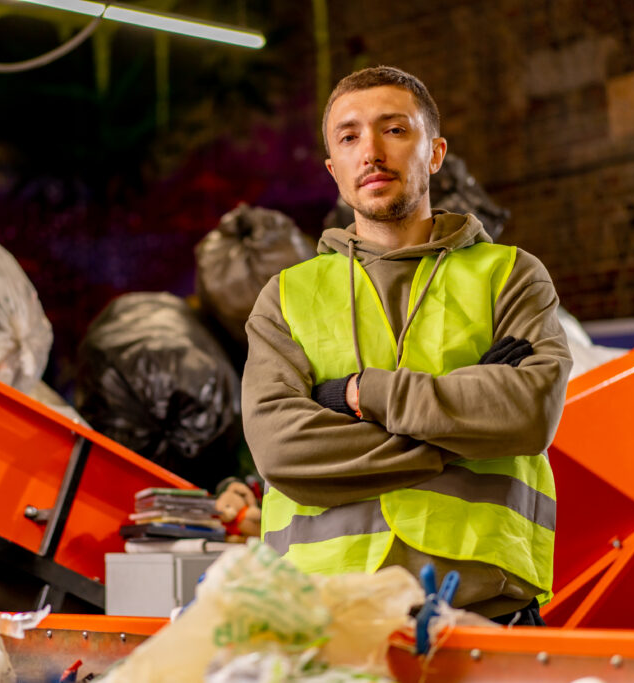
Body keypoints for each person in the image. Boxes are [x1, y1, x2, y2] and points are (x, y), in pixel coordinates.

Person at [241, 66, 572, 625]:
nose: (370, 151)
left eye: (394, 130)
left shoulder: (511, 275)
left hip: (486, 610)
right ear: (333, 169)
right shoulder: (287, 296)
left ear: (435, 152)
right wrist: (460, 437)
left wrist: (358, 394)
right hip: (326, 620)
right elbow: (280, 450)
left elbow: (529, 411)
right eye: (348, 137)